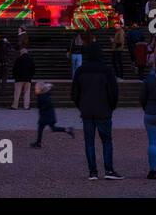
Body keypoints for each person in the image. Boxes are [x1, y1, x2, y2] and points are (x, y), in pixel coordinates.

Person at [70, 44, 123, 180]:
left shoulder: (81, 71)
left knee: (89, 142)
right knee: (106, 141)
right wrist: (111, 107)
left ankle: (93, 171)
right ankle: (108, 170)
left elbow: (74, 93)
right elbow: (114, 92)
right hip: (103, 110)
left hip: (87, 110)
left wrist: (81, 106)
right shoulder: (107, 70)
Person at [31, 82, 73, 147]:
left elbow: (45, 105)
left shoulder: (43, 96)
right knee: (53, 128)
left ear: (40, 89)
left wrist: (42, 108)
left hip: (46, 116)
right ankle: (67, 129)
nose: (35, 90)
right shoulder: (44, 94)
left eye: (36, 89)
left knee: (41, 128)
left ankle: (38, 143)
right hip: (49, 115)